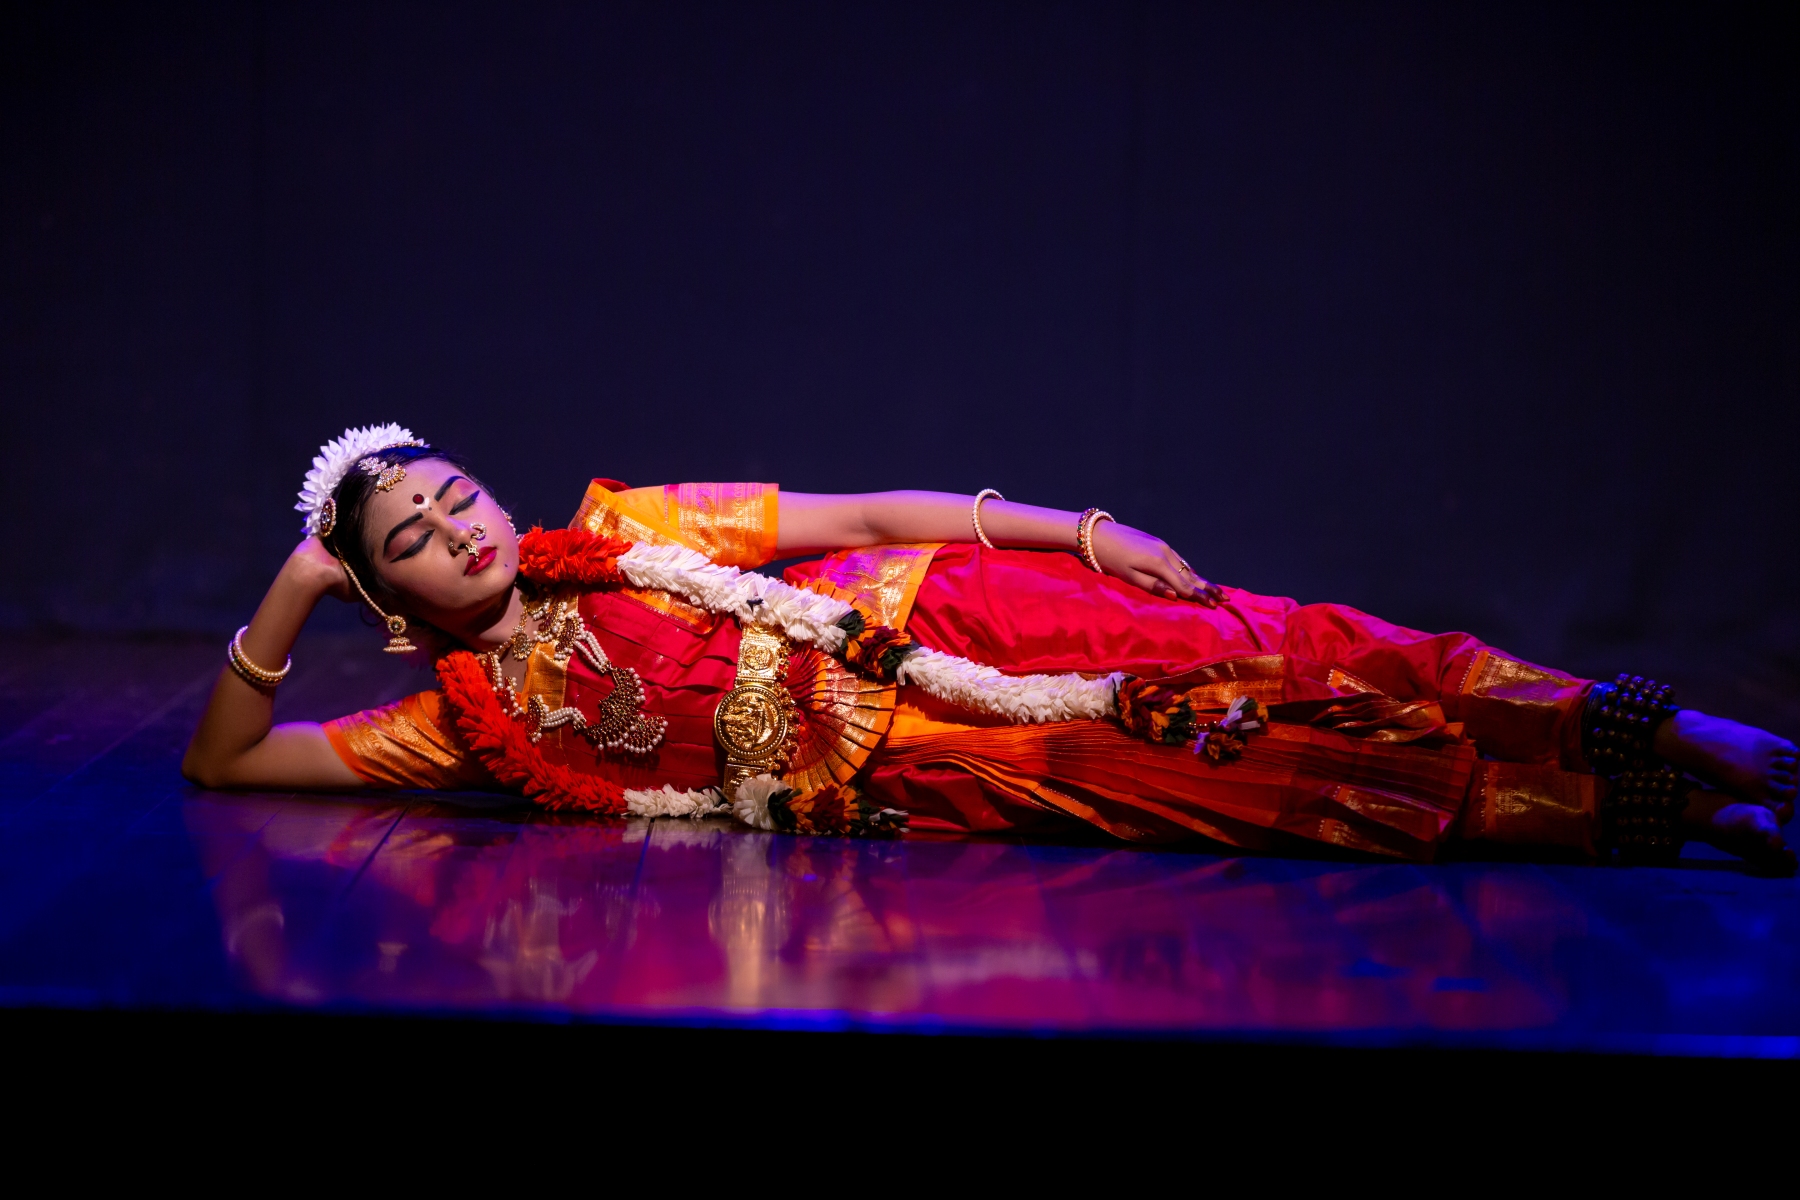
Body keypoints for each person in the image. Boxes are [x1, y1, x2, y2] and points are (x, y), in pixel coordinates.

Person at [183, 425, 1798, 870]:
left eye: (454, 494)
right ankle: (1652, 818)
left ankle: (1652, 726)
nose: (456, 527)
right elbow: (230, 763)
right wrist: (294, 588)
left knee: (1283, 657)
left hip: (946, 614)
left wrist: (1076, 536)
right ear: (388, 596)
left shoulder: (634, 525)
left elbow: (856, 512)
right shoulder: (464, 725)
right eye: (409, 538)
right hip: (924, 766)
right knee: (1256, 785)